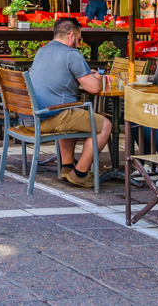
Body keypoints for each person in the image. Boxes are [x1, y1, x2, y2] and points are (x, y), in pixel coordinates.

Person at [26, 17, 113, 188]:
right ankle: (79, 174)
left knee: (72, 109)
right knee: (105, 126)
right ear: (71, 36)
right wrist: (98, 76)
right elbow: (94, 88)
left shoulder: (42, 51)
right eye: (80, 39)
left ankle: (67, 167)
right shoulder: (72, 54)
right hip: (50, 117)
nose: (80, 44)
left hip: (30, 115)